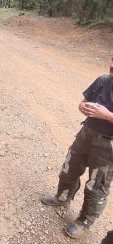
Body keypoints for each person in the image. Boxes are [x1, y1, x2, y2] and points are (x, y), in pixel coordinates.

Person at [41, 57, 113, 239]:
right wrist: (83, 107)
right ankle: (63, 197)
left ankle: (85, 221)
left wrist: (107, 115)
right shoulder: (103, 80)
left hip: (108, 144)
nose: (112, 66)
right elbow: (82, 102)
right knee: (69, 168)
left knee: (97, 185)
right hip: (86, 132)